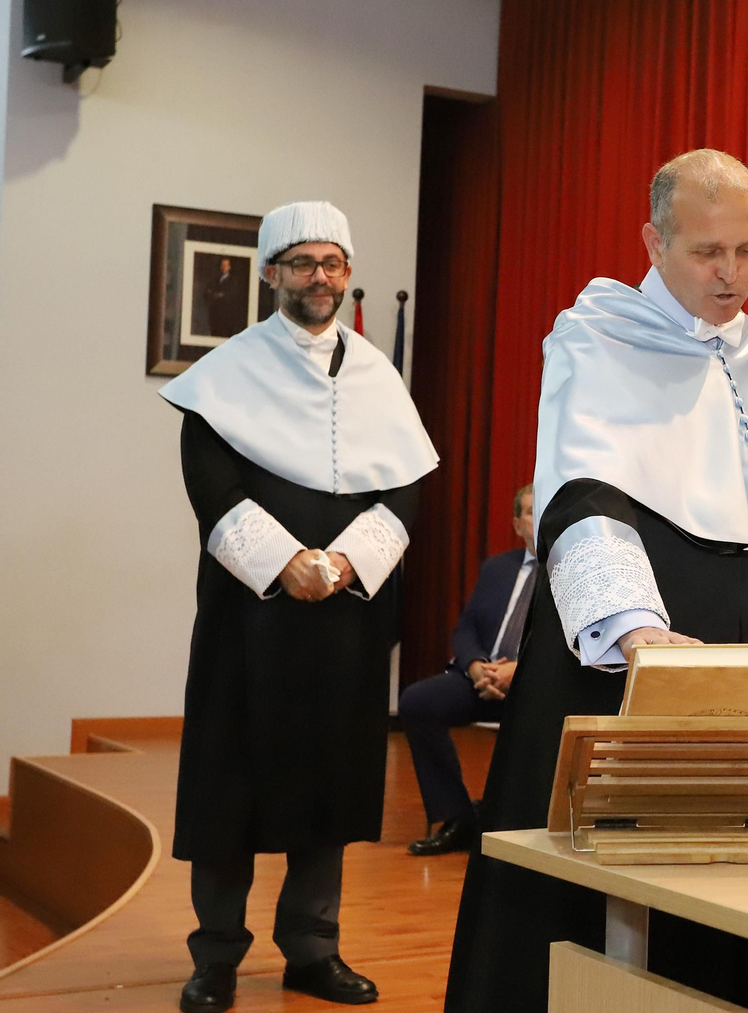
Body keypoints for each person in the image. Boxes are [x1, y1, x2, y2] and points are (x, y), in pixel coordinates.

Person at [444, 149, 748, 1013]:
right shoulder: (597, 335)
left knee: (708, 884)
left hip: (727, 633)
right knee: (577, 893)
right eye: (707, 252)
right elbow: (582, 492)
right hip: (618, 645)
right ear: (654, 242)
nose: (732, 275)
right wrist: (632, 626)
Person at [157, 201, 438, 1012]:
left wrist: (347, 561)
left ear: (347, 274)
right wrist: (285, 563)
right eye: (304, 262)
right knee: (230, 787)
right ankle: (216, 957)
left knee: (330, 784)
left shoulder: (379, 377)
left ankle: (313, 947)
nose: (320, 276)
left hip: (346, 621)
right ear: (271, 272)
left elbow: (405, 487)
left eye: (333, 263)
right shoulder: (225, 374)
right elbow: (214, 488)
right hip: (250, 619)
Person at [398, 483, 538, 856]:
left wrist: (517, 671)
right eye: (530, 511)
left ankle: (518, 822)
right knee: (417, 702)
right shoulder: (497, 568)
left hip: (533, 685)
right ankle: (456, 817)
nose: (539, 517)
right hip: (482, 678)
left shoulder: (568, 573)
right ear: (517, 524)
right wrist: (477, 668)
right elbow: (465, 629)